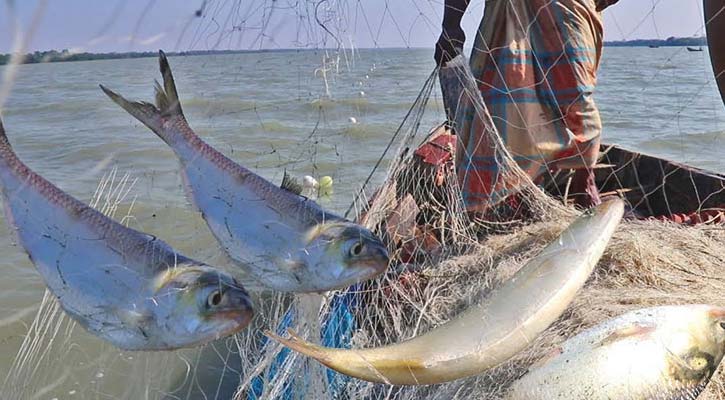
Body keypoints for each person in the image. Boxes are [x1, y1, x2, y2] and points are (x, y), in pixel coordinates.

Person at [435, 0, 619, 213]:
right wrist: (450, 24)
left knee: (576, 96)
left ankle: (584, 183)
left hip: (568, 10)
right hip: (506, 14)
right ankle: (524, 191)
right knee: (506, 99)